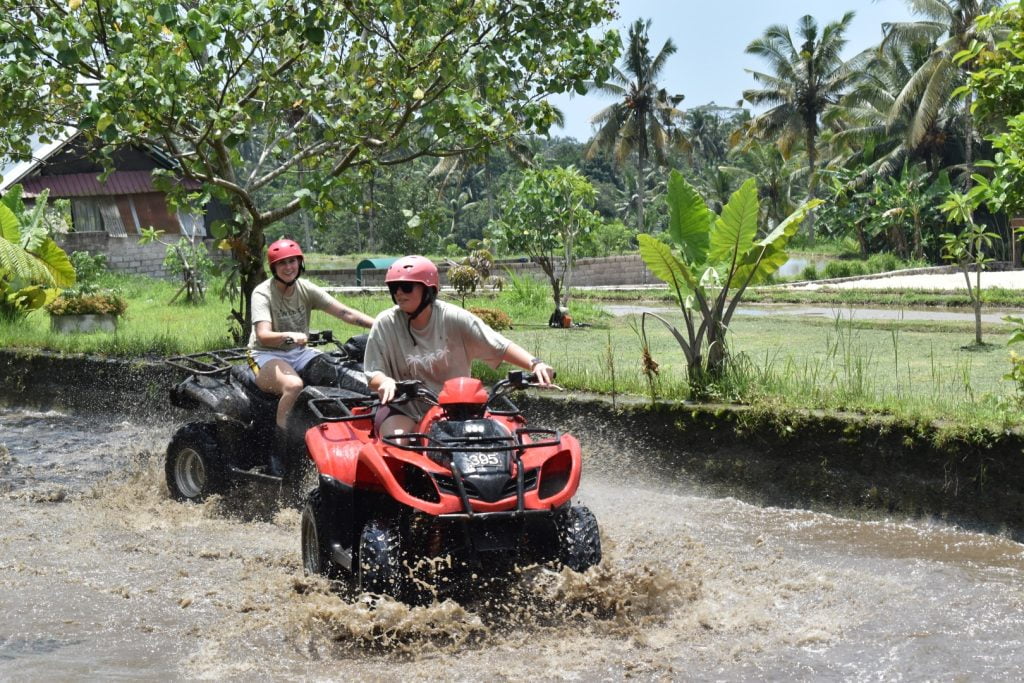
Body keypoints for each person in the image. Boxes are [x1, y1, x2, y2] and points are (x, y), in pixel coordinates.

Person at [364, 255, 555, 436]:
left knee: (501, 440)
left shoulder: (454, 317)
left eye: (406, 287)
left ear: (428, 290)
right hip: (405, 409)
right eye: (394, 287)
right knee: (398, 442)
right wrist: (385, 382)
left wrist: (535, 363)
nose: (398, 292)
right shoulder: (385, 323)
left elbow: (499, 345)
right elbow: (373, 372)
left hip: (457, 408)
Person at [248, 238, 375, 474]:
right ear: (274, 268)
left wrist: (379, 326)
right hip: (265, 355)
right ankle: (279, 450)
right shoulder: (262, 293)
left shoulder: (305, 289)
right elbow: (263, 335)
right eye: (282, 263)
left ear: (300, 263)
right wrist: (290, 336)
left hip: (299, 352)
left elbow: (344, 312)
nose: (289, 267)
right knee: (294, 385)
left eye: (293, 261)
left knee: (338, 370)